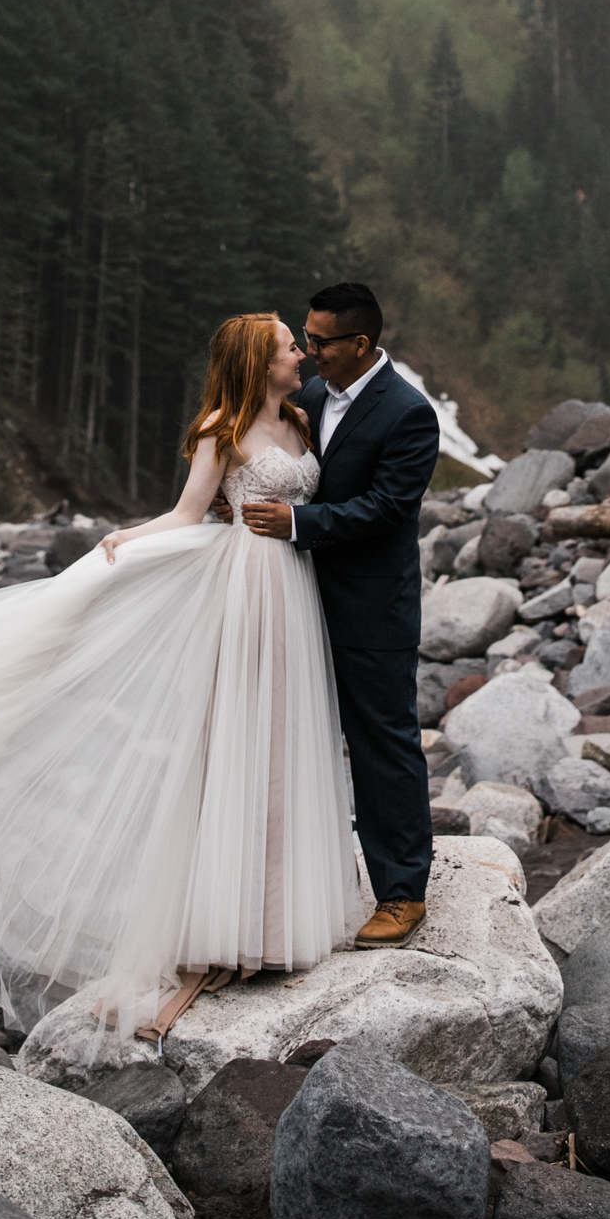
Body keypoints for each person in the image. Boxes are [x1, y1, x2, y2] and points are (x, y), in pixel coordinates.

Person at [0, 311, 365, 1041]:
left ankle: (279, 914)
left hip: (294, 589)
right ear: (255, 360)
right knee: (238, 740)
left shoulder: (302, 422)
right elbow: (187, 513)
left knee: (289, 738)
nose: (299, 355)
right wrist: (127, 539)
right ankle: (228, 924)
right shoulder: (220, 425)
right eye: (285, 347)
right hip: (244, 585)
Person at [229, 282, 440, 948]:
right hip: (296, 599)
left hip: (372, 606)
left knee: (383, 743)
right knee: (295, 738)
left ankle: (402, 893)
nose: (309, 350)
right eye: (306, 340)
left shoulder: (408, 413)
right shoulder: (312, 398)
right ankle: (297, 886)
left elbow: (384, 510)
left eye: (320, 341)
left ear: (360, 344)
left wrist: (297, 521)